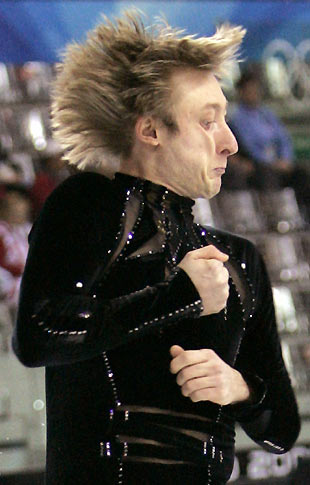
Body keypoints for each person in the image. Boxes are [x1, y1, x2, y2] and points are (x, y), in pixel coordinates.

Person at [12, 11, 300, 485]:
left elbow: (283, 428)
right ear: (151, 131)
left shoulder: (238, 257)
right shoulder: (93, 203)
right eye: (208, 123)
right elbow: (39, 332)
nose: (230, 142)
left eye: (225, 118)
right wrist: (182, 295)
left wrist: (240, 388)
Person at [225, 69, 310, 220]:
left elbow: (283, 138)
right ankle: (276, 216)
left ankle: (304, 216)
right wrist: (271, 163)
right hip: (258, 163)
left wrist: (285, 158)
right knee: (266, 174)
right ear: (241, 92)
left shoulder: (266, 114)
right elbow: (247, 145)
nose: (254, 93)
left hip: (279, 162)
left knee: (302, 174)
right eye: (250, 90)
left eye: (256, 90)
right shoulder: (237, 118)